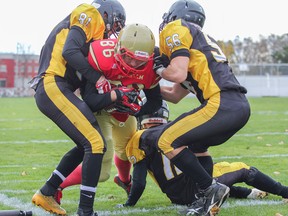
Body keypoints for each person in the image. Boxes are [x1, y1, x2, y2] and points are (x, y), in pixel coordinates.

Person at [151, 0, 251, 214]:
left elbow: (175, 74)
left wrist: (158, 69)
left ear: (174, 16)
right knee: (195, 145)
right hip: (236, 106)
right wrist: (144, 86)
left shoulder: (175, 28)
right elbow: (174, 95)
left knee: (166, 139)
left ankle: (211, 189)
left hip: (221, 103)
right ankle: (205, 201)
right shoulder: (197, 42)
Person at [29, 1, 128, 216]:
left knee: (85, 144)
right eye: (116, 25)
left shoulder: (93, 46)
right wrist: (98, 77)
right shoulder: (90, 13)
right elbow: (69, 51)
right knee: (95, 143)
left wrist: (118, 96)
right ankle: (86, 211)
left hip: (58, 88)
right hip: (52, 84)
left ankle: (47, 192)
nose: (113, 32)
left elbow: (91, 100)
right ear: (106, 14)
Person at [53, 23, 163, 203]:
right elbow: (90, 101)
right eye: (129, 58)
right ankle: (57, 186)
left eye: (140, 60)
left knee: (129, 152)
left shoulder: (150, 68)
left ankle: (124, 180)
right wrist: (116, 95)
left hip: (125, 116)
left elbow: (155, 101)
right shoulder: (102, 58)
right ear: (119, 49)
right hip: (101, 113)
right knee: (102, 171)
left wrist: (136, 111)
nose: (134, 64)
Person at [117, 101, 288, 214]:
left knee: (215, 180)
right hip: (199, 189)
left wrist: (129, 204)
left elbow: (139, 183)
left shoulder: (137, 139)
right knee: (242, 169)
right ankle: (284, 191)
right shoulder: (174, 130)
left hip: (177, 196)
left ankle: (251, 193)